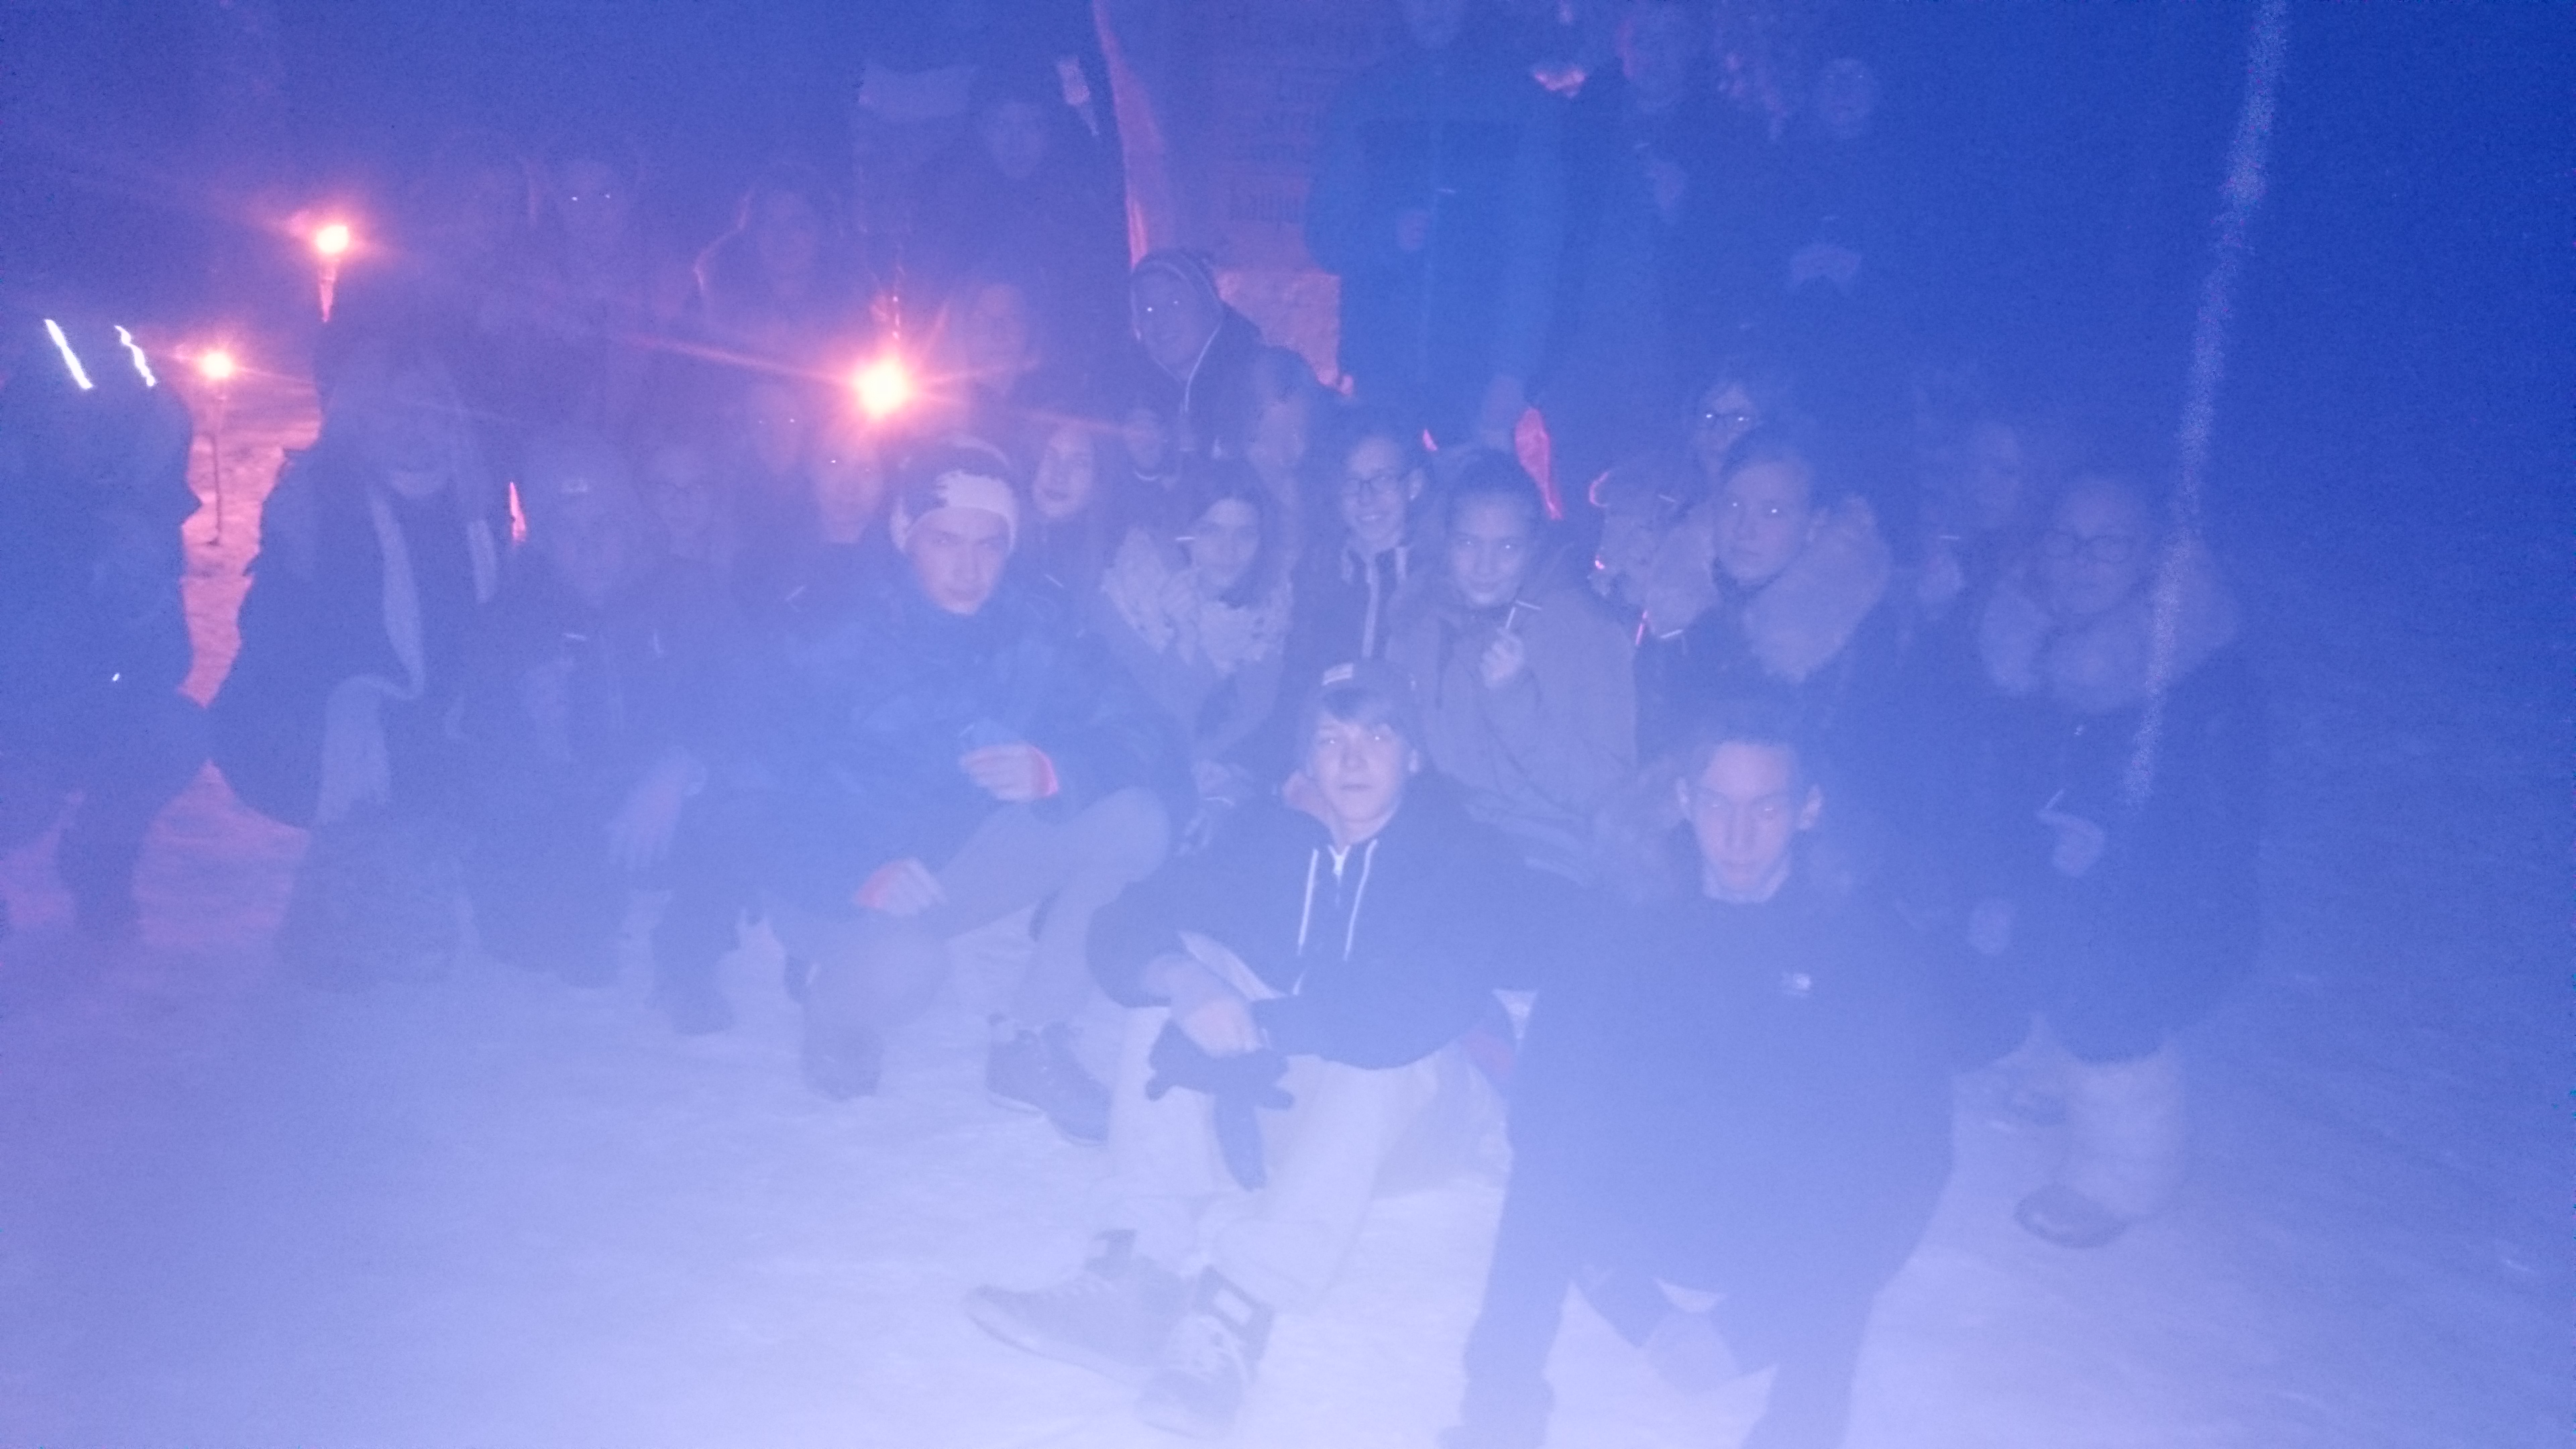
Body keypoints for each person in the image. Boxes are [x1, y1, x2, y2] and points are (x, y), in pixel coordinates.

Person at [967, 663, 1527, 1438]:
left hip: (1420, 1123)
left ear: (1415, 756)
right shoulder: (1270, 840)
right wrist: (1184, 979)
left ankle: (1237, 1310)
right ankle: (1136, 1270)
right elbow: (1129, 918)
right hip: (1300, 1105)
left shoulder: (1467, 855)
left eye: (1378, 736)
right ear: (1306, 764)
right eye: (1330, 739)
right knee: (1184, 962)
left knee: (1391, 1052)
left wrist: (1261, 1029)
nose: (1353, 758)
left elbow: (1414, 1008)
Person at [1447, 698, 1955, 1449]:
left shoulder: (1863, 946)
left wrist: (1754, 1330)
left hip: (1784, 1238)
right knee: (1546, 1163)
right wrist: (1634, 1305)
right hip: (1636, 1213)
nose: (1737, 836)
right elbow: (1549, 1100)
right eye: (1717, 804)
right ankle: (1498, 1411)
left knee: (1856, 1176)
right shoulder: (1624, 916)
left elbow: (1910, 1157)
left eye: (1766, 808)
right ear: (1683, 800)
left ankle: (1801, 1429)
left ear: (1810, 809)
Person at [759, 446, 1183, 1142]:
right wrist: (858, 874)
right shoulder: (831, 634)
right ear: (907, 537)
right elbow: (761, 796)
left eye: (990, 545)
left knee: (1135, 819)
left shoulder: (1035, 627)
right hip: (831, 881)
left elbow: (1144, 729)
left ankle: (1031, 1039)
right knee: (910, 967)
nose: (968, 567)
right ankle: (832, 1013)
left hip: (951, 866)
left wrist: (1058, 771)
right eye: (945, 541)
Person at [1966, 474, 2263, 1248]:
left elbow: (2211, 840)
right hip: (2061, 881)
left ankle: (2129, 1171)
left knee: (2102, 974)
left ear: (2152, 558)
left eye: (2108, 545)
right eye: (2066, 539)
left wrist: (2099, 856)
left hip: (2178, 907)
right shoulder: (2023, 648)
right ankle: (2058, 1067)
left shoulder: (2194, 673)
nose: (2081, 561)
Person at [211, 341, 502, 985]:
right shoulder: (323, 509)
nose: (413, 425)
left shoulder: (475, 514)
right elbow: (281, 646)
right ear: (361, 419)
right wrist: (373, 705)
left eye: (429, 409)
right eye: (393, 409)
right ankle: (344, 912)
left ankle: (408, 901)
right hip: (326, 725)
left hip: (439, 716)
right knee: (411, 767)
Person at [0, 313, 207, 942]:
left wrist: (136, 594)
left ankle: (99, 857)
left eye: (109, 430)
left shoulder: (132, 523)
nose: (89, 439)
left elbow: (169, 663)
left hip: (83, 706)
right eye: (70, 420)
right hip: (15, 716)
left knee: (171, 732)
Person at [1305, 0, 1564, 448]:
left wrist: (1513, 370)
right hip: (1382, 367)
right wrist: (1385, 238)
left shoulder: (1520, 103)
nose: (1433, 8)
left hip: (1478, 367)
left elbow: (1538, 250)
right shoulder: (1364, 99)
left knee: (1476, 490)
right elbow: (1325, 235)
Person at [1539, 0, 1768, 500]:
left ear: (1690, 47)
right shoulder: (1578, 124)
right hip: (1581, 350)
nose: (1655, 53)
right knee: (1579, 491)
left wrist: (1689, 210)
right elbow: (1546, 233)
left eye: (1669, 38)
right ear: (1621, 45)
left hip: (1676, 355)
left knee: (1666, 494)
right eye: (1643, 39)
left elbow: (1750, 256)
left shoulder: (1731, 134)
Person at [1386, 452, 1633, 881]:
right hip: (1442, 826)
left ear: (1533, 548)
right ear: (1446, 543)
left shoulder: (1584, 629)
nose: (1485, 566)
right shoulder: (1420, 618)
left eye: (1506, 547)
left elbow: (1605, 788)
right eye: (1468, 544)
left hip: (1546, 839)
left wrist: (1516, 699)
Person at [1631, 428, 1902, 800]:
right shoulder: (1676, 604)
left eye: (1773, 512)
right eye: (1732, 506)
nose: (1745, 529)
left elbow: (1854, 777)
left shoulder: (1849, 628)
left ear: (1815, 524)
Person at [1091, 461, 1295, 844]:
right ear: (1182, 531)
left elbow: (1256, 717)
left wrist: (1226, 785)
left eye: (1245, 534)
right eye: (1210, 530)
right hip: (1123, 785)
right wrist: (1185, 637)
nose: (1228, 550)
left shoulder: (1269, 608)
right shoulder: (1132, 594)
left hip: (1219, 789)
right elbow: (1164, 722)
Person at [908, 58, 1130, 378]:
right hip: (965, 379)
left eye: (1031, 125)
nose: (1016, 143)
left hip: (1067, 375)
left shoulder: (1085, 201)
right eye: (1001, 126)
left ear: (1052, 129)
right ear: (980, 129)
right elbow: (926, 301)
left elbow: (1102, 299)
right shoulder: (947, 205)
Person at [1589, 354, 1796, 622]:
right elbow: (1606, 604)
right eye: (1709, 416)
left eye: (1739, 420)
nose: (1718, 433)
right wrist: (1630, 585)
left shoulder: (1784, 513)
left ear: (1768, 428)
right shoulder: (1652, 494)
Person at [692, 162, 873, 374]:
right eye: (771, 223)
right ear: (753, 232)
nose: (783, 237)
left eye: (798, 224)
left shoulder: (853, 310)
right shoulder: (717, 308)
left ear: (823, 231)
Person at [1124, 250, 1264, 463]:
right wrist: (1147, 468)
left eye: (1175, 303)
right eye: (1149, 310)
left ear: (1208, 307)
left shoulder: (1259, 384)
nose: (1161, 320)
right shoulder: (1132, 399)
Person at [1016, 414, 1128, 603]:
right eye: (1050, 456)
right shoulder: (996, 541)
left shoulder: (1117, 563)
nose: (1060, 475)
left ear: (1097, 481)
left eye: (1079, 463)